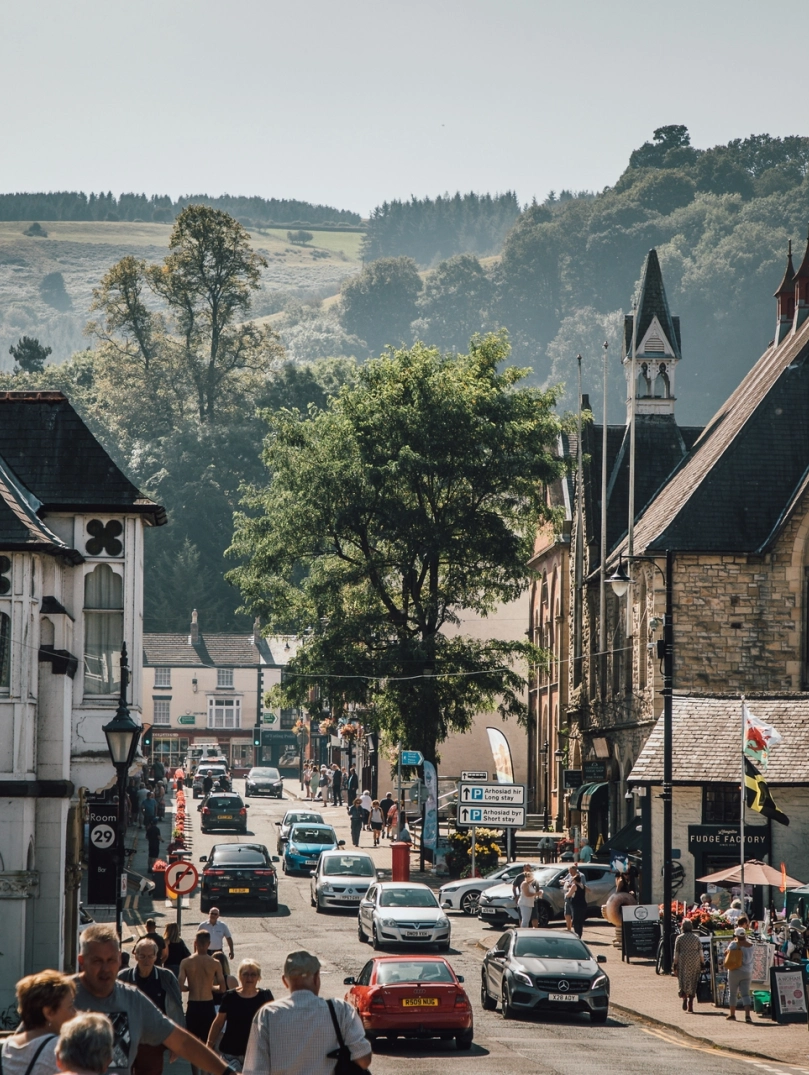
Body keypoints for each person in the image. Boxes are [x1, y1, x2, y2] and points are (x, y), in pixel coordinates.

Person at [73, 924, 232, 1075]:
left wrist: (226, 1072)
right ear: (81, 961)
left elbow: (181, 1039)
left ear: (119, 960)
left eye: (111, 960)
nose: (105, 968)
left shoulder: (133, 996)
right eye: (97, 961)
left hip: (149, 1046)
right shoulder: (67, 996)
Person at [242, 951, 370, 1075]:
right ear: (316, 977)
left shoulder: (267, 1014)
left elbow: (255, 1071)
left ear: (285, 981)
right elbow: (364, 1060)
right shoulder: (340, 1010)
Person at [118, 937, 185, 1075]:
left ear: (156, 957)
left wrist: (177, 1043)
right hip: (125, 1040)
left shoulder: (166, 977)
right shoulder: (123, 977)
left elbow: (176, 1009)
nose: (146, 960)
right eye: (142, 956)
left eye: (150, 956)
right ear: (135, 955)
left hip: (152, 1042)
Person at [0, 971, 76, 1075]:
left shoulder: (8, 1045)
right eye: (70, 1006)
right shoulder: (57, 1047)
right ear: (49, 1012)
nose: (74, 1013)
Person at [206, 961, 273, 1072]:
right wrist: (209, 1045)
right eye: (245, 974)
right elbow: (218, 1023)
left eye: (253, 974)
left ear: (258, 977)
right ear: (239, 976)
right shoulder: (230, 996)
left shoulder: (265, 996)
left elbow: (273, 1024)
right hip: (231, 1054)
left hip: (256, 1054)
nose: (249, 978)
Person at [178, 931, 227, 1075]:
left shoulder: (186, 962)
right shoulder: (215, 963)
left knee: (193, 1043)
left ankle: (195, 1073)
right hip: (207, 1005)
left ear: (195, 943)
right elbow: (222, 988)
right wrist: (209, 987)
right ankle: (206, 1072)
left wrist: (190, 988)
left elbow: (179, 986)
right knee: (208, 1043)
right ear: (209, 944)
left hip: (193, 1005)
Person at [672, 917, 704, 1013]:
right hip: (695, 959)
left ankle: (684, 997)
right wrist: (702, 963)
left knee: (683, 979)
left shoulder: (679, 938)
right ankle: (691, 1002)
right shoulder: (696, 938)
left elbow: (676, 953)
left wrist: (675, 964)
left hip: (683, 960)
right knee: (693, 980)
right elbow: (701, 952)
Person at [725, 926, 754, 1023]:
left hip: (735, 971)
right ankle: (747, 1016)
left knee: (733, 993)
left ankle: (732, 1014)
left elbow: (727, 953)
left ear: (736, 935)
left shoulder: (734, 944)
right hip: (747, 972)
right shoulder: (751, 945)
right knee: (746, 994)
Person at [562, 864, 587, 937]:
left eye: (572, 872)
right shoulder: (582, 886)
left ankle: (577, 936)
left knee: (576, 921)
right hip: (581, 903)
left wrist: (569, 891)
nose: (570, 874)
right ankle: (577, 934)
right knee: (578, 921)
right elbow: (587, 889)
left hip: (576, 903)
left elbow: (568, 894)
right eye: (569, 872)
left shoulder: (578, 881)